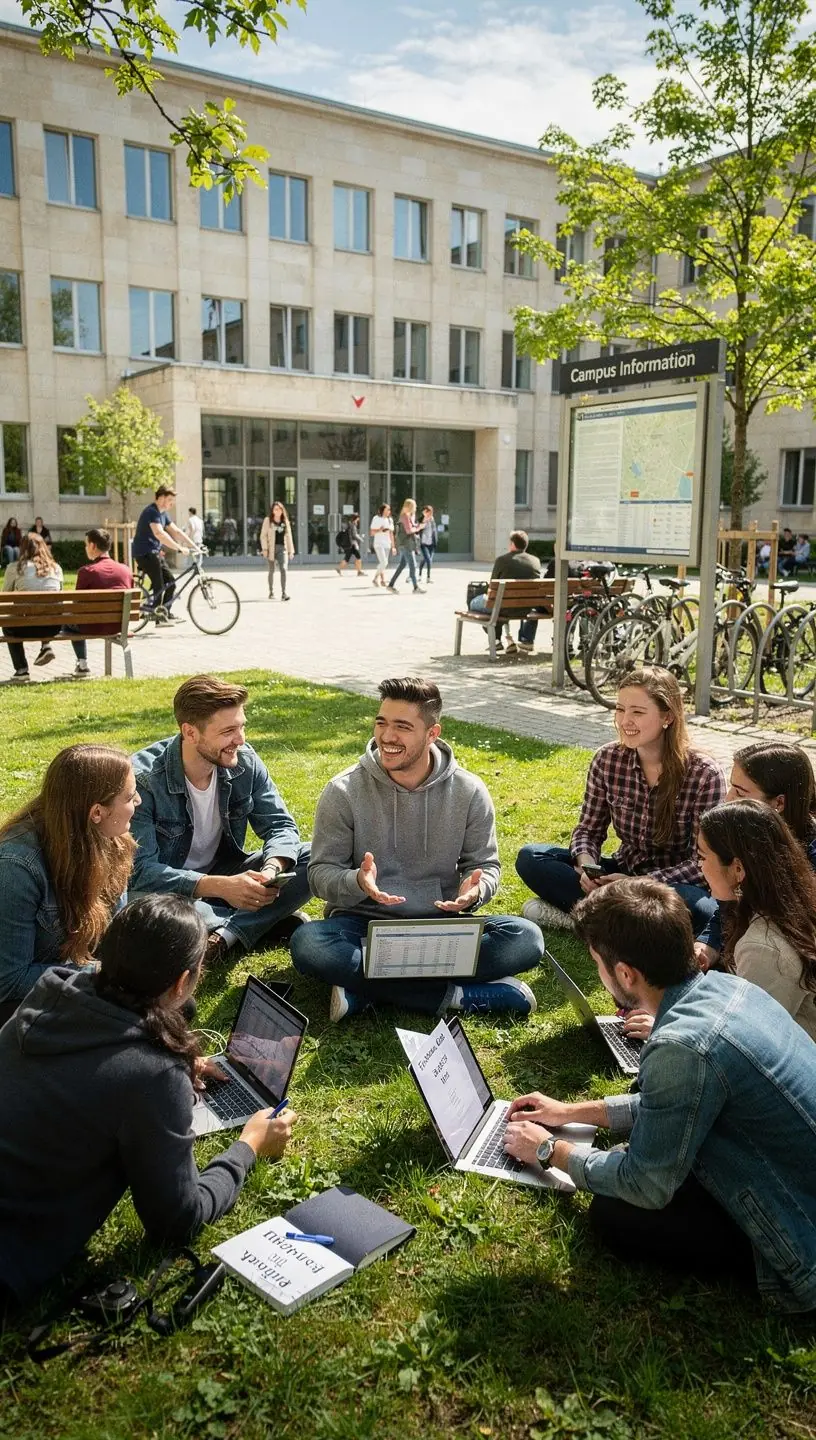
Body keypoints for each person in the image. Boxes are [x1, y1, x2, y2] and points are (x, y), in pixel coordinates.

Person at [503, 880, 816, 1312]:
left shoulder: (682, 1046)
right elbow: (681, 1102)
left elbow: (645, 1182)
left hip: (799, 1235)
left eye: (597, 963)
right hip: (794, 1177)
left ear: (626, 974)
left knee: (615, 1212)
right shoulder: (726, 988)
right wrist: (572, 1112)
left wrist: (548, 1151)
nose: (598, 972)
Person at [0, 893, 297, 1308]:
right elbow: (178, 1219)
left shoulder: (50, 992)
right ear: (181, 982)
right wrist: (249, 1146)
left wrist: (178, 1057)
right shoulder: (152, 1073)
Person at [290, 676, 544, 1020]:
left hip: (440, 927)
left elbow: (486, 865)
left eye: (402, 727)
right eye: (381, 722)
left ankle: (365, 991)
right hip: (362, 927)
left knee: (526, 937)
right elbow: (320, 874)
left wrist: (477, 889)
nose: (387, 736)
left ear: (432, 734)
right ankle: (456, 997)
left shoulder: (469, 791)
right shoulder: (343, 791)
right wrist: (357, 882)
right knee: (309, 943)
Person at [516, 667, 724, 935]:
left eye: (637, 712)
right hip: (619, 871)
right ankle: (623, 924)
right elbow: (588, 829)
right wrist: (586, 866)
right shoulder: (607, 759)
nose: (625, 720)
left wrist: (636, 885)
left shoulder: (705, 774)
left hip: (671, 885)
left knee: (701, 909)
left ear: (668, 717)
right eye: (620, 709)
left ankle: (588, 919)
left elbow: (703, 864)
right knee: (532, 857)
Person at [130, 675, 311, 966]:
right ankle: (258, 923)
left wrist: (270, 870)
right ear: (190, 733)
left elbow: (281, 826)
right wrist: (220, 887)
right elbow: (140, 871)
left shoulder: (244, 761)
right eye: (228, 731)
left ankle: (224, 935)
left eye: (241, 727)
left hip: (225, 873)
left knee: (312, 856)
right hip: (169, 889)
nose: (240, 739)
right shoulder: (143, 780)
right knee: (143, 909)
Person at [0, 744, 137, 1014]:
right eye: (130, 796)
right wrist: (99, 975)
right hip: (22, 1003)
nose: (138, 802)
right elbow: (9, 982)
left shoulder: (114, 841)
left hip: (79, 975)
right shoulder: (16, 868)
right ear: (96, 813)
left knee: (177, 1005)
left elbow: (111, 937)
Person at [696, 800, 816, 1042]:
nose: (699, 867)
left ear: (738, 869)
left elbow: (745, 1042)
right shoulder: (788, 905)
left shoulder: (763, 947)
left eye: (702, 857)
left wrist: (666, 1024)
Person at [695, 740, 816, 968]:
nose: (728, 798)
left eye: (740, 792)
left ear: (779, 802)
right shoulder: (751, 835)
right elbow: (730, 907)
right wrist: (705, 947)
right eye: (731, 786)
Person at [1, 533, 86, 681]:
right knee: (46, 609)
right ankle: (46, 645)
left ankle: (21, 669)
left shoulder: (14, 568)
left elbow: (5, 596)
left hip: (22, 627)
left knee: (8, 624)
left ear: (22, 549)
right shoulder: (56, 568)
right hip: (52, 627)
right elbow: (59, 596)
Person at [467, 530, 541, 655]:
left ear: (512, 544)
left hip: (502, 608)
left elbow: (492, 585)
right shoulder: (535, 561)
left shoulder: (502, 560)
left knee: (474, 602)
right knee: (499, 601)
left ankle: (496, 640)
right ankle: (519, 639)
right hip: (527, 607)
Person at [132, 486, 192, 620]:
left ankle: (164, 613)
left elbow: (176, 531)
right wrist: (179, 548)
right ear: (160, 498)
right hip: (144, 553)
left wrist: (195, 546)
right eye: (170, 499)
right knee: (159, 584)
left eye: (173, 500)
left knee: (171, 583)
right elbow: (160, 533)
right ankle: (156, 615)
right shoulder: (152, 512)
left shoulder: (163, 513)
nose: (172, 503)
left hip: (154, 553)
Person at [387, 499, 424, 594]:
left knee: (402, 565)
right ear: (410, 506)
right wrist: (418, 528)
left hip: (404, 544)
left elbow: (411, 527)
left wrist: (417, 525)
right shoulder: (405, 516)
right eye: (414, 506)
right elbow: (409, 531)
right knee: (413, 565)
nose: (415, 508)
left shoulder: (405, 516)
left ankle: (391, 585)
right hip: (407, 544)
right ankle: (415, 588)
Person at [260, 500, 294, 600]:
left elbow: (289, 536)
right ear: (273, 511)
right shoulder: (268, 520)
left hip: (282, 548)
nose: (277, 511)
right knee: (271, 571)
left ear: (282, 510)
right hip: (271, 548)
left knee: (283, 569)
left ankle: (284, 593)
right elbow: (263, 536)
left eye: (279, 509)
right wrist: (265, 549)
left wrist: (290, 551)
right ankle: (271, 592)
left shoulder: (285, 521)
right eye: (275, 509)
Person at [370, 503, 396, 587]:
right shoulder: (376, 518)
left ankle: (381, 580)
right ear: (383, 510)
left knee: (383, 563)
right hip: (378, 544)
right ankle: (375, 578)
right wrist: (380, 530)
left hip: (387, 544)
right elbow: (372, 533)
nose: (389, 511)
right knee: (384, 562)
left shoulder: (390, 520)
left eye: (389, 509)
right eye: (387, 509)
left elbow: (391, 534)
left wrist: (393, 547)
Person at [337, 513, 363, 577]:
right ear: (356, 518)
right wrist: (360, 539)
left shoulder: (350, 524)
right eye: (358, 518)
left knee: (348, 558)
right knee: (358, 557)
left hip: (349, 544)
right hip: (352, 545)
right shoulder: (353, 525)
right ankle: (359, 572)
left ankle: (339, 569)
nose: (359, 519)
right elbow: (354, 535)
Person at [417, 505, 438, 583]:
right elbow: (419, 528)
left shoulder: (432, 519)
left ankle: (420, 575)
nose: (430, 514)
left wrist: (435, 540)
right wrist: (425, 518)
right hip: (423, 543)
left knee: (426, 560)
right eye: (428, 512)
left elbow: (434, 531)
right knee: (428, 560)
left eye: (431, 512)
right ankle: (427, 578)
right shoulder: (421, 519)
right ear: (425, 512)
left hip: (431, 543)